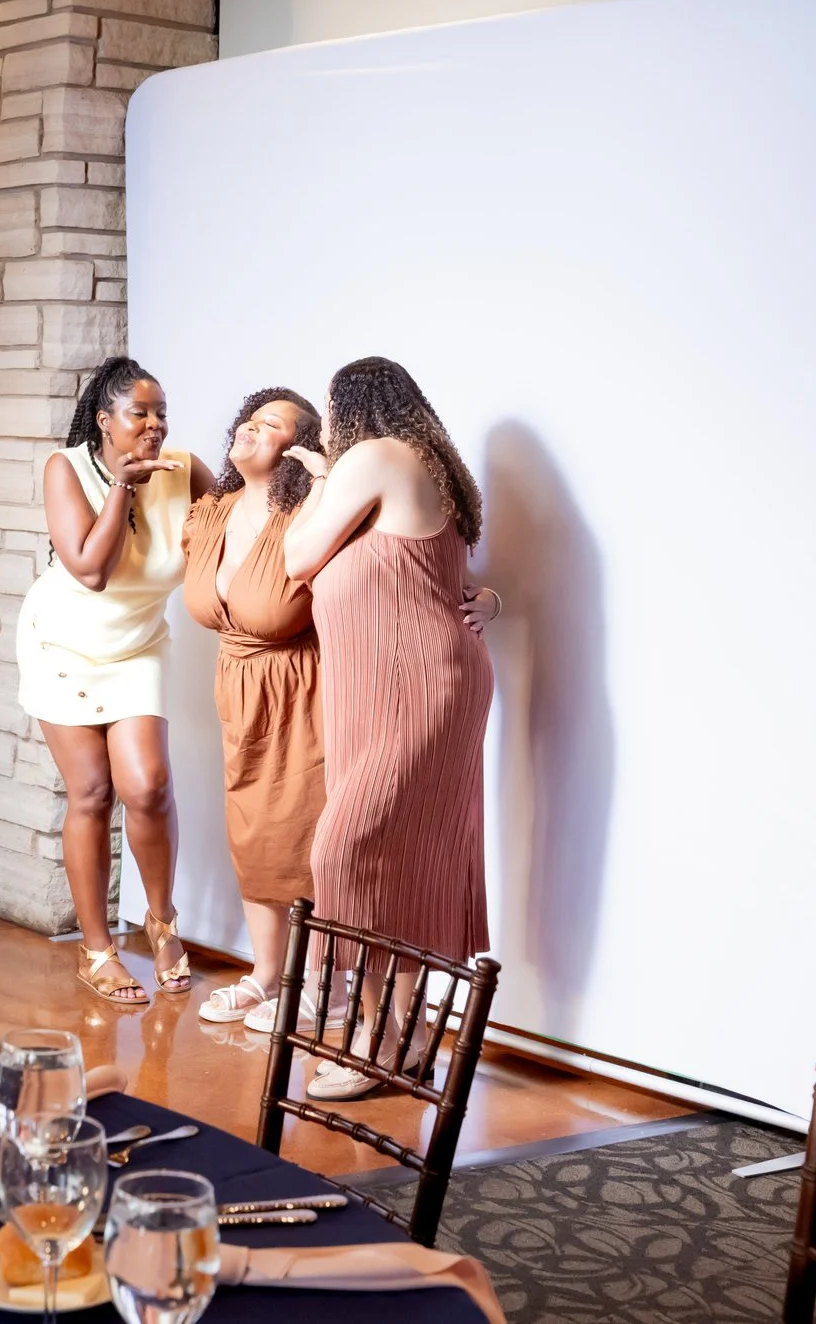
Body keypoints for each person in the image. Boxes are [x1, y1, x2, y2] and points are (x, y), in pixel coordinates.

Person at [283, 356, 500, 1100]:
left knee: (348, 850)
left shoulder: (372, 458)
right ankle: (397, 1041)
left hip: (414, 688)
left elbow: (296, 556)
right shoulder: (426, 464)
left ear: (350, 411)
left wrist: (317, 481)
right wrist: (491, 600)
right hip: (393, 688)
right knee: (394, 858)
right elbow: (443, 578)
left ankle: (381, 1043)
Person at [16, 356, 204, 1006]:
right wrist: (122, 487)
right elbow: (90, 571)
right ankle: (97, 950)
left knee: (147, 786)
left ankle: (162, 921)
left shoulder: (184, 470)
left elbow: (244, 519)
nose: (153, 426)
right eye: (138, 414)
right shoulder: (66, 469)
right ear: (105, 419)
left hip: (138, 646)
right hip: (63, 644)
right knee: (93, 793)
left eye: (160, 414)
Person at [183, 388, 330, 1033]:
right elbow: (178, 468)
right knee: (251, 834)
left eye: (271, 424)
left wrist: (484, 597)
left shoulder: (310, 513)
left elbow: (394, 563)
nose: (249, 427)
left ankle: (320, 985)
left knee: (303, 835)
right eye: (248, 417)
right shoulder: (214, 511)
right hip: (238, 692)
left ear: (298, 450)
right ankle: (268, 976)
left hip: (304, 692)